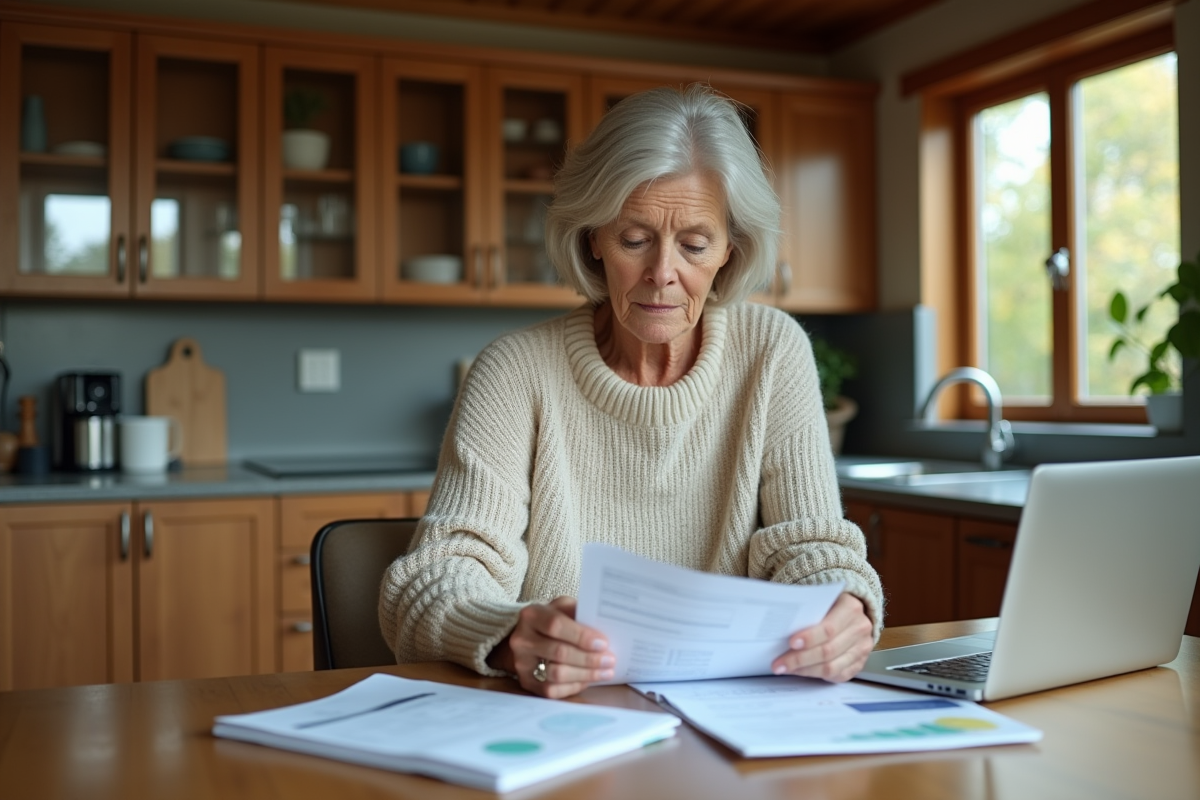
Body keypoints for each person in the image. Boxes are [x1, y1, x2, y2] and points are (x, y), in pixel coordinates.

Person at [379, 85, 884, 699]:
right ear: (593, 237)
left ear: (730, 249)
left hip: (734, 705)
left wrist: (842, 607)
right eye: (634, 239)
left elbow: (813, 545)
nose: (662, 273)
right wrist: (508, 635)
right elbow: (434, 578)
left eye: (694, 244)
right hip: (561, 710)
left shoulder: (772, 352)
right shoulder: (513, 371)